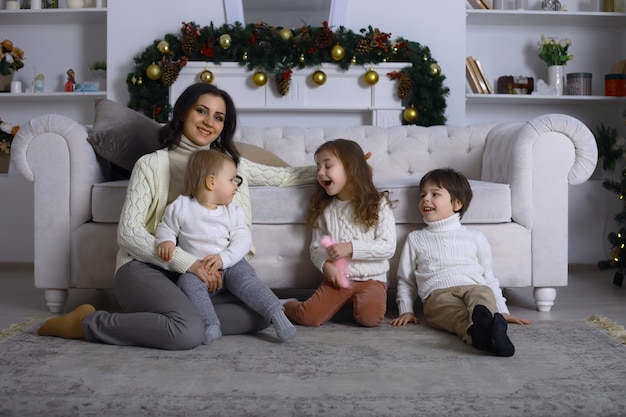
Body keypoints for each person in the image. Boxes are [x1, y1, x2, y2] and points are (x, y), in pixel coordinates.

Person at [37, 82, 317, 350]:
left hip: (203, 274)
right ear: (183, 112)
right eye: (201, 111)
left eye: (218, 117)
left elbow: (285, 176)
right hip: (146, 266)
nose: (209, 122)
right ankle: (87, 322)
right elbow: (129, 233)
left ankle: (181, 315)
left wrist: (345, 170)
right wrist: (190, 264)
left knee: (260, 314)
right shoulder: (150, 164)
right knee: (187, 332)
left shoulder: (231, 166)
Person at [156, 149, 295, 344]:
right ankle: (210, 324)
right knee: (187, 283)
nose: (236, 186)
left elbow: (243, 240)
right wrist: (166, 241)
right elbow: (166, 227)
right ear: (211, 182)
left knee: (247, 280)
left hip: (230, 266)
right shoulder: (181, 206)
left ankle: (277, 315)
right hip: (199, 271)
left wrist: (224, 259)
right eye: (232, 180)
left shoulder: (233, 211)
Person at [389, 168, 531, 357]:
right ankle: (480, 334)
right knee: (453, 315)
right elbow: (406, 280)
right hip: (437, 293)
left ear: (457, 204)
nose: (425, 199)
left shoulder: (474, 237)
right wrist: (406, 310)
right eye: (422, 195)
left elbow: (489, 276)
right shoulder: (416, 238)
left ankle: (492, 324)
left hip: (474, 286)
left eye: (435, 194)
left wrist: (502, 310)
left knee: (482, 296)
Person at [283, 139, 397, 328]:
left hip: (372, 280)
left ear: (352, 168)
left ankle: (348, 303)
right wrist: (327, 265)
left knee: (370, 318)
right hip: (340, 279)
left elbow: (387, 246)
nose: (320, 173)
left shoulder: (379, 204)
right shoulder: (326, 208)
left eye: (327, 166)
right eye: (318, 167)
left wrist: (351, 248)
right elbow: (316, 247)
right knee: (308, 318)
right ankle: (283, 304)